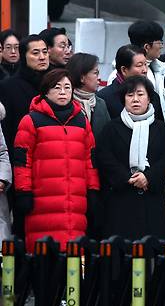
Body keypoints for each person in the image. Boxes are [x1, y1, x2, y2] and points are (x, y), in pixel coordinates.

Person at [12, 69, 100, 252]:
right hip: (42, 202)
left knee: (73, 262)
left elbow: (90, 161)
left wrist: (93, 190)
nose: (63, 92)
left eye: (67, 87)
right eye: (57, 87)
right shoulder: (31, 121)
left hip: (75, 203)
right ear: (45, 91)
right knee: (43, 259)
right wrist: (23, 192)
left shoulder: (82, 121)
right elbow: (22, 162)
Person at [96, 76, 165, 241]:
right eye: (130, 95)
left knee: (150, 249)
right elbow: (105, 158)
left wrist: (148, 177)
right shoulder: (112, 128)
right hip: (120, 199)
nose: (135, 100)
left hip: (151, 199)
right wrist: (128, 178)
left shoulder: (160, 128)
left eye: (140, 94)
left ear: (149, 98)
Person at [108, 21, 165, 123]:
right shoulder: (118, 76)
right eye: (160, 42)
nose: (162, 46)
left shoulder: (160, 69)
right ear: (147, 47)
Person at [0, 35, 50, 155]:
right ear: (24, 56)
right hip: (21, 156)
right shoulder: (9, 86)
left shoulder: (55, 84)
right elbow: (7, 131)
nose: (42, 57)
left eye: (45, 52)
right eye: (35, 53)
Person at [97, 45, 164, 121]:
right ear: (124, 70)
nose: (145, 70)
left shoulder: (153, 96)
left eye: (145, 64)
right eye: (139, 65)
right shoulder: (104, 99)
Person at [67, 53, 112, 139]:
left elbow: (108, 135)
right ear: (82, 77)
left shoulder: (100, 104)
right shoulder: (66, 102)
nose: (99, 78)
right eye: (95, 73)